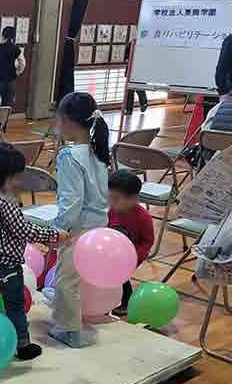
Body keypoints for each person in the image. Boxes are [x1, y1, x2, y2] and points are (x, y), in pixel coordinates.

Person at [0, 142, 67, 360]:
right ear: (6, 177)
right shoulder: (4, 203)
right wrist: (54, 236)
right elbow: (24, 230)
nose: (16, 182)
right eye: (15, 177)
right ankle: (22, 345)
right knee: (15, 306)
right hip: (5, 266)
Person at [50, 92, 111, 348]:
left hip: (79, 228)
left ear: (66, 121)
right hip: (100, 226)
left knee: (66, 281)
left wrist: (57, 230)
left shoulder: (69, 156)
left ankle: (71, 331)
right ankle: (75, 321)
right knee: (78, 278)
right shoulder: (98, 150)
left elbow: (71, 202)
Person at [107, 170, 154, 317]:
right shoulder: (111, 211)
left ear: (133, 198)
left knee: (122, 278)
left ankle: (126, 303)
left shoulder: (143, 218)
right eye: (110, 198)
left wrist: (136, 258)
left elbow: (148, 241)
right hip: (111, 252)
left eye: (115, 199)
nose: (111, 202)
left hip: (130, 256)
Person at [0, 26, 22, 113]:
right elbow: (22, 63)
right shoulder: (16, 49)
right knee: (7, 106)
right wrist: (17, 72)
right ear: (13, 37)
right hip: (11, 80)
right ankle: (4, 124)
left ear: (2, 35)